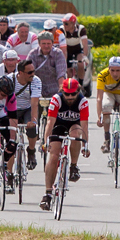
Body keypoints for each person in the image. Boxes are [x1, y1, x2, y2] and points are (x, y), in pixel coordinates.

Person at [39, 78, 90, 211]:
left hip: (74, 125)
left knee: (75, 135)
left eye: (73, 94)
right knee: (54, 155)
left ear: (78, 92)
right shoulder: (56, 99)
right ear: (62, 91)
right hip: (58, 125)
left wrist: (85, 145)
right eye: (67, 94)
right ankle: (48, 193)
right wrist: (45, 142)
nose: (70, 97)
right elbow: (50, 122)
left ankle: (73, 165)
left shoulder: (83, 101)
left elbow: (84, 125)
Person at [95, 56, 120, 153]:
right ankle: (107, 139)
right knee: (106, 106)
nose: (115, 74)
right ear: (108, 69)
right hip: (109, 94)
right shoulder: (102, 75)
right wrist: (100, 116)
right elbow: (99, 98)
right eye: (112, 70)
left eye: (118, 70)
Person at [9, 58, 42, 170]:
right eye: (29, 72)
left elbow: (34, 103)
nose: (32, 74)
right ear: (20, 73)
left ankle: (31, 151)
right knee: (10, 133)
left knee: (32, 129)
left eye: (33, 71)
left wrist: (33, 120)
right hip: (13, 109)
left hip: (28, 108)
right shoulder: (10, 79)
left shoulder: (36, 81)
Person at [26, 31, 67, 105]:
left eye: (48, 43)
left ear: (52, 43)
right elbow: (28, 73)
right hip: (37, 90)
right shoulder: (33, 54)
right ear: (39, 44)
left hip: (54, 89)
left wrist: (61, 91)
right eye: (43, 43)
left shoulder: (58, 53)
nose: (46, 46)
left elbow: (61, 73)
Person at [61, 13, 88, 83]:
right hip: (67, 50)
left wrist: (85, 56)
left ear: (73, 24)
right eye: (63, 23)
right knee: (68, 70)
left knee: (80, 63)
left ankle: (81, 83)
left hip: (78, 50)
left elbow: (85, 44)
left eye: (66, 24)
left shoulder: (81, 29)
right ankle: (69, 84)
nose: (64, 25)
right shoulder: (62, 30)